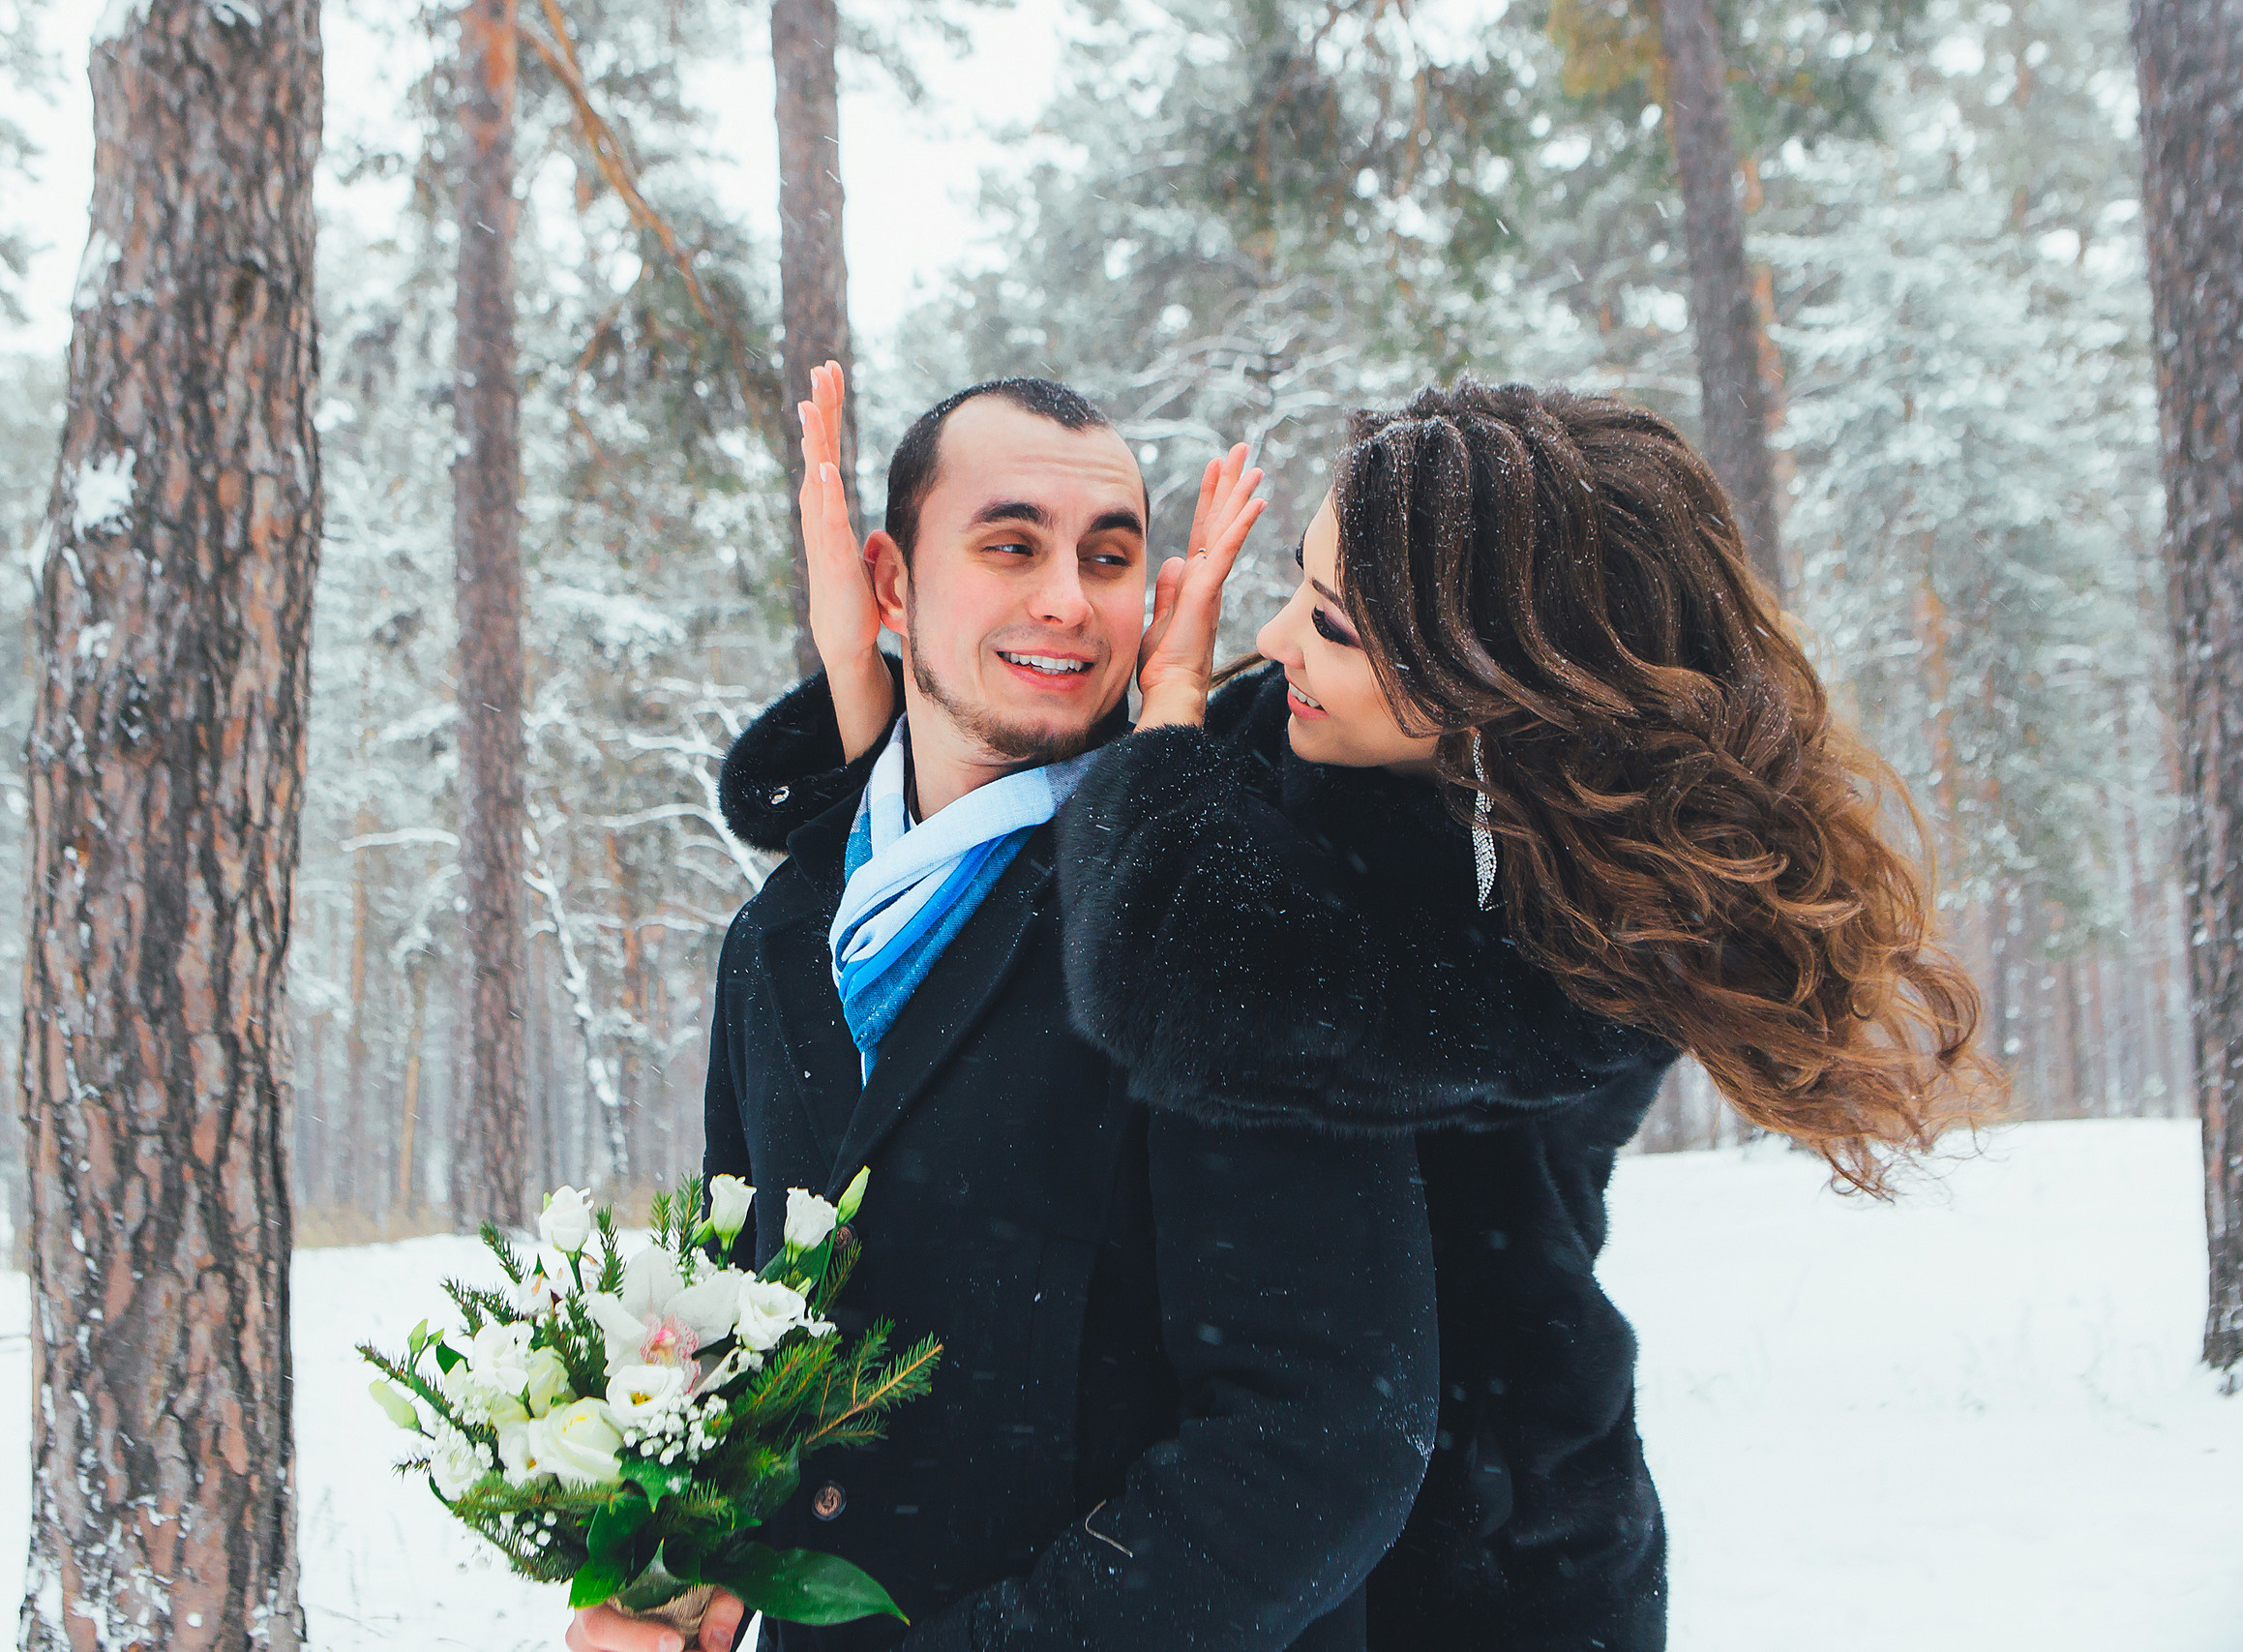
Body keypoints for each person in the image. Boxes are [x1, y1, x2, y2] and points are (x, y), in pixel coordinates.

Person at [1051, 378, 1991, 1651]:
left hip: (1497, 1572)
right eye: (1297, 583)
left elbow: (1178, 967)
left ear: (1489, 677)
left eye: (1325, 620)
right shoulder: (1349, 755)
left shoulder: (1577, 954)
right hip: (1329, 1549)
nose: (1270, 642)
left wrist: (1164, 719)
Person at [568, 368, 1438, 1652]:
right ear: (889, 585)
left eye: (1109, 556)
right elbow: (744, 1310)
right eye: (1011, 544)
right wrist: (669, 1554)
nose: (1066, 601)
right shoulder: (781, 940)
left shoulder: (1225, 907)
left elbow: (1324, 1441)